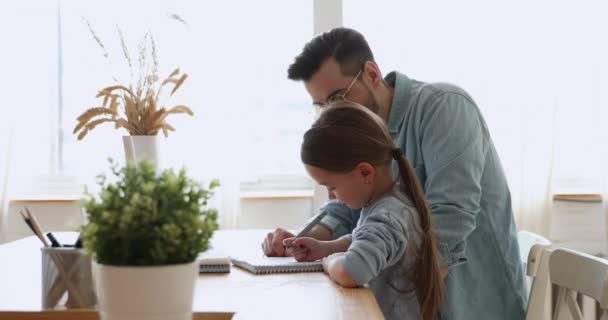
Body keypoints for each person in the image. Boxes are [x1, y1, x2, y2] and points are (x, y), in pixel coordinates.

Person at [262, 27, 526, 319]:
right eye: (320, 106)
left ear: (372, 74)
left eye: (337, 99)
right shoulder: (363, 138)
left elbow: (451, 219)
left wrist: (406, 302)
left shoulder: (444, 107)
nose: (329, 114)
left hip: (470, 307)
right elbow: (348, 209)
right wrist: (299, 241)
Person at [289, 102, 444, 320]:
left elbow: (352, 271)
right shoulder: (388, 203)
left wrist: (329, 262)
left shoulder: (387, 216)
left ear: (364, 172)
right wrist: (325, 248)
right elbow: (362, 238)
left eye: (332, 187)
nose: (332, 197)